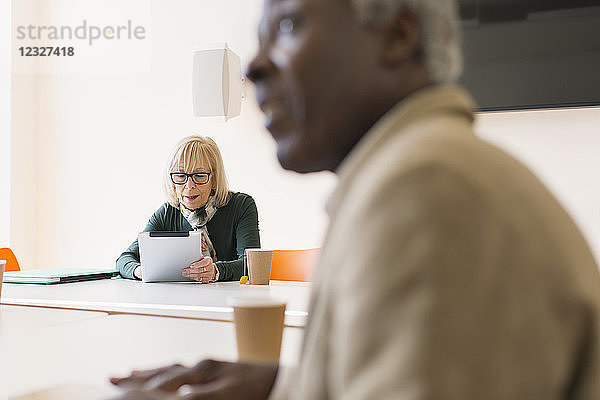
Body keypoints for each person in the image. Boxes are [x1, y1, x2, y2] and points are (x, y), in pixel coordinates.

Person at [110, 0, 600, 398]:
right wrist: (289, 386)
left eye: (287, 25)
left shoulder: (423, 190)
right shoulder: (423, 171)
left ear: (397, 35)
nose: (255, 67)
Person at [116, 135, 260, 282]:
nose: (189, 185)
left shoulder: (241, 206)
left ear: (215, 179)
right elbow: (124, 259)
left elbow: (252, 264)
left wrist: (216, 271)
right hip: (179, 300)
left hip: (232, 299)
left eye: (199, 175)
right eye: (180, 176)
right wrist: (142, 271)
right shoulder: (167, 213)